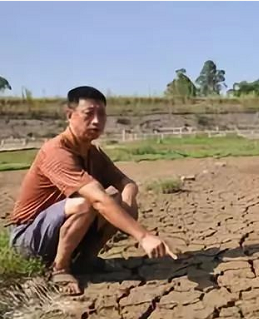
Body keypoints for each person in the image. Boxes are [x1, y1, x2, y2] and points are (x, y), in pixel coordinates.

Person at [8, 86, 177, 296]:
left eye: (102, 115)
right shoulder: (56, 152)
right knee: (86, 202)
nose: (97, 121)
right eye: (89, 114)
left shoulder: (92, 151)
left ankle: (86, 261)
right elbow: (97, 199)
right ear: (70, 115)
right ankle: (59, 268)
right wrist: (143, 237)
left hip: (60, 231)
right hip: (28, 240)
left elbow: (125, 181)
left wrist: (128, 196)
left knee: (116, 201)